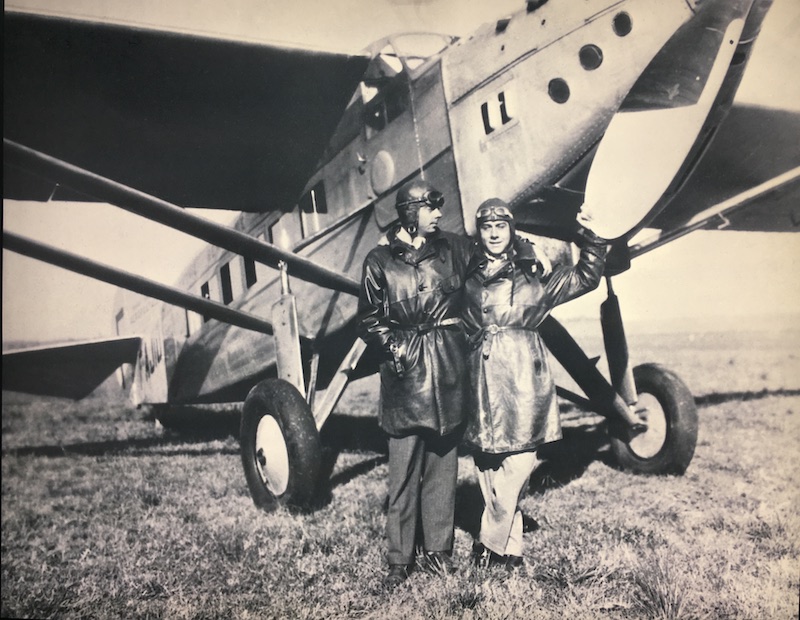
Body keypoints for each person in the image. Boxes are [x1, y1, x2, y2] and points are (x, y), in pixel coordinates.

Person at [462, 197, 607, 569]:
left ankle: (488, 541)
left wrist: (592, 236)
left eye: (501, 227)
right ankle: (510, 552)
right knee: (488, 465)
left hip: (525, 375)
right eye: (487, 227)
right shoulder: (463, 274)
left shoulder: (535, 275)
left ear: (511, 231)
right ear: (479, 233)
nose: (494, 233)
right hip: (480, 373)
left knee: (522, 461)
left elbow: (585, 277)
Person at [357, 179, 478, 589]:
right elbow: (369, 319)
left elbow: (494, 257)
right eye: (431, 208)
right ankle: (399, 560)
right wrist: (396, 350)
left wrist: (531, 255)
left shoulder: (452, 249)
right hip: (406, 377)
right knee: (403, 473)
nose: (439, 215)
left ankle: (439, 553)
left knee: (443, 466)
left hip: (447, 369)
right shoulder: (378, 260)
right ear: (410, 212)